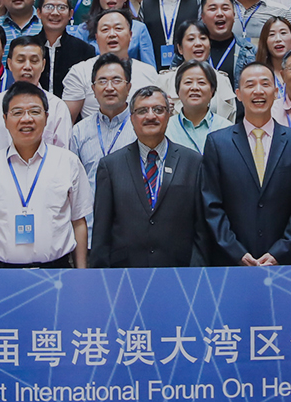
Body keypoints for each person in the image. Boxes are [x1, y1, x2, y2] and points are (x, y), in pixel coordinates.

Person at [0, 81, 93, 268]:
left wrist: (81, 275)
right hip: (1, 271)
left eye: (34, 111)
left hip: (56, 271)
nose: (26, 119)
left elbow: (78, 223)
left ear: (46, 117)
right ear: (5, 119)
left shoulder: (68, 162)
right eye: (17, 113)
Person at [201, 61, 291, 266]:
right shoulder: (217, 143)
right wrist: (236, 252)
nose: (258, 91)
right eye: (250, 85)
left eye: (265, 84)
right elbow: (211, 205)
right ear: (238, 93)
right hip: (231, 262)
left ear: (276, 91)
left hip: (286, 262)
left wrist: (280, 252)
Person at [88, 86, 208, 267]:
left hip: (180, 273)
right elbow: (101, 234)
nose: (151, 116)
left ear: (169, 115)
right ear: (132, 118)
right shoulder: (110, 166)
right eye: (142, 111)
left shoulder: (193, 162)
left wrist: (197, 273)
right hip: (126, 275)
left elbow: (202, 229)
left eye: (158, 110)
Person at [66, 8, 162, 119]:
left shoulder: (148, 72)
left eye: (118, 28)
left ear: (130, 35)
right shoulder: (79, 71)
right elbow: (68, 121)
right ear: (96, 38)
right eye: (105, 29)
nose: (112, 34)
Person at [0, 37, 74, 151]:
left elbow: (63, 153)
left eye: (34, 61)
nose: (27, 67)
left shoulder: (57, 107)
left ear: (43, 65)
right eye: (21, 60)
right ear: (10, 64)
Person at [68, 54, 139, 186]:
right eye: (102, 81)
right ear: (93, 90)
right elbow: (72, 178)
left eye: (116, 80)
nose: (109, 88)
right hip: (91, 205)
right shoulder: (79, 131)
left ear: (128, 88)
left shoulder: (140, 126)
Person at [163, 20, 238, 121]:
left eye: (203, 38)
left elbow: (231, 121)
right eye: (191, 39)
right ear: (180, 48)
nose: (198, 43)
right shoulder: (164, 80)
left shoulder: (222, 80)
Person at [33, 0, 100, 95]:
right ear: (39, 12)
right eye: (49, 7)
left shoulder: (84, 50)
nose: (55, 13)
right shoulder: (25, 47)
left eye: (61, 7)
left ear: (70, 14)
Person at [166, 59, 234, 152]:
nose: (194, 88)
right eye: (188, 82)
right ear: (178, 90)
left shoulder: (226, 128)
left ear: (212, 91)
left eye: (201, 82)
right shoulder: (165, 128)